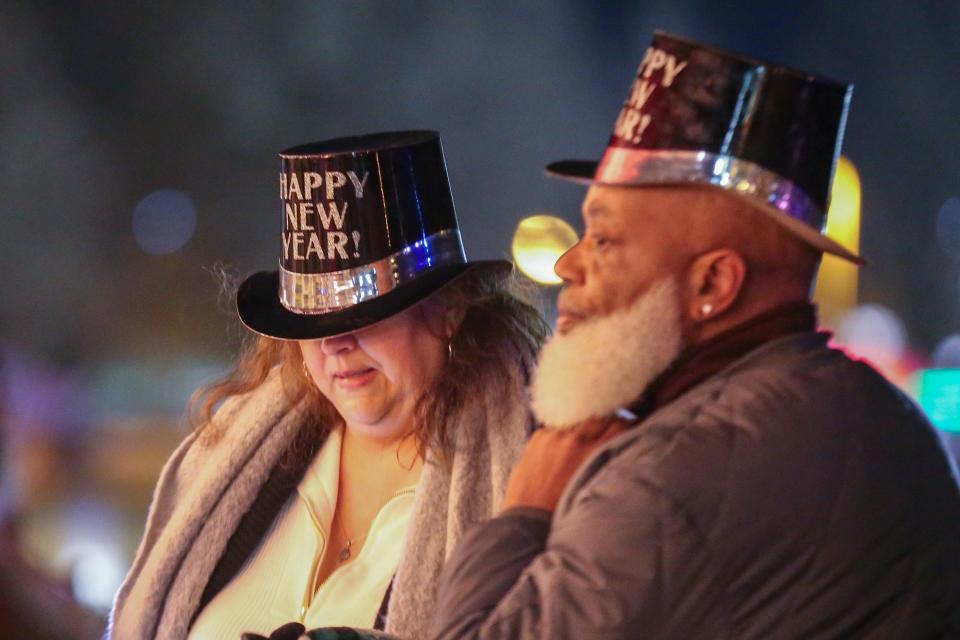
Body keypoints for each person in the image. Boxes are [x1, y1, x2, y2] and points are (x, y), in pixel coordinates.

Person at [431, 32, 960, 639]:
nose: (567, 265)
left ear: (715, 282)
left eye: (604, 241)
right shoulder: (869, 406)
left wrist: (525, 512)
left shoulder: (671, 476)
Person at [107, 131, 548, 640]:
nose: (334, 343)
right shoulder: (224, 454)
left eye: (368, 315)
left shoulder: (529, 470)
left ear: (448, 310)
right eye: (311, 322)